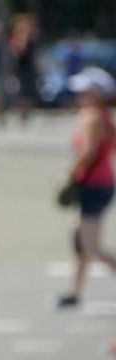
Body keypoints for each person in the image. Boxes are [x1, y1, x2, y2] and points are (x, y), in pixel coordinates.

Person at [57, 67, 116, 309]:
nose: (79, 95)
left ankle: (75, 291)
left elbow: (88, 152)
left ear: (95, 93)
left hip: (93, 184)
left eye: (84, 91)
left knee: (91, 246)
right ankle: (74, 292)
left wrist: (71, 173)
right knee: (83, 242)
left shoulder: (92, 116)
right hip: (101, 183)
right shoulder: (103, 116)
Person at [8, 14, 39, 124]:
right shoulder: (16, 39)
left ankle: (26, 114)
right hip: (20, 70)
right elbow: (18, 51)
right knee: (21, 93)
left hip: (29, 70)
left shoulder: (31, 39)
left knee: (28, 94)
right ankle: (22, 114)